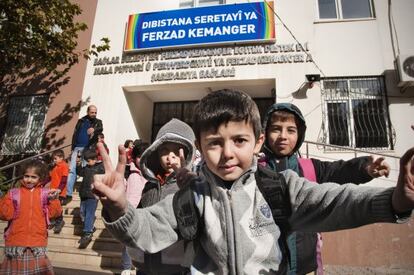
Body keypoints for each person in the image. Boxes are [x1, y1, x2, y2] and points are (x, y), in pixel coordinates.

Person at [93, 90, 414, 275]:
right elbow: (146, 230)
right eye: (215, 142)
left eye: (240, 140)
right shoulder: (191, 197)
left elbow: (337, 202)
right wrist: (120, 207)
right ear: (201, 149)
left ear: (258, 143)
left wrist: (395, 200)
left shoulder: (282, 187)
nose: (228, 153)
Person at [261, 103, 391, 274]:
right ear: (264, 133)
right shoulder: (255, 171)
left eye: (291, 130)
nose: (283, 136)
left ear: (300, 135)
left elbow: (340, 170)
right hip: (266, 267)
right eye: (276, 129)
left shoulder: (310, 168)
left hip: (305, 266)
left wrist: (365, 168)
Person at [125, 118, 195, 275]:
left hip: (176, 267)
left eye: (177, 151)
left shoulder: (193, 185)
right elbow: (138, 220)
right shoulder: (149, 185)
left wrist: (189, 188)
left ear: (189, 153)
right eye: (164, 150)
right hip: (144, 266)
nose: (170, 157)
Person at [0, 159, 62, 274]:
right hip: (16, 241)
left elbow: (55, 213)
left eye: (34, 177)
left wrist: (54, 200)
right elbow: (5, 215)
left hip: (37, 242)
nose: (29, 180)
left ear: (40, 178)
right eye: (26, 176)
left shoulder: (45, 194)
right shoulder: (14, 193)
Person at [121, 141, 149, 275]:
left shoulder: (153, 173)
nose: (142, 160)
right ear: (134, 157)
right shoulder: (128, 171)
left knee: (143, 243)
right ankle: (126, 267)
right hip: (131, 211)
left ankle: (140, 267)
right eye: (139, 156)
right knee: (129, 242)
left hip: (146, 212)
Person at [66, 105, 103, 205]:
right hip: (77, 148)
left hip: (88, 149)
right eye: (92, 112)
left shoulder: (98, 122)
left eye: (95, 112)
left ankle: (88, 192)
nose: (94, 114)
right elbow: (75, 135)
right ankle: (68, 194)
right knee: (72, 170)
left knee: (87, 170)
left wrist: (94, 130)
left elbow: (100, 129)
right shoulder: (81, 121)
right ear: (87, 112)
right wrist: (72, 148)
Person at [76, 149, 105, 249]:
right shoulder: (86, 168)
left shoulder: (101, 167)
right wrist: (78, 163)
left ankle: (87, 233)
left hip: (93, 195)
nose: (88, 162)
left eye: (89, 160)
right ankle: (91, 227)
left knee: (89, 213)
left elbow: (106, 178)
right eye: (87, 160)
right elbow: (79, 172)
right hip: (83, 193)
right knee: (82, 213)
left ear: (95, 159)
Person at [49, 149, 69, 234]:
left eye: (55, 158)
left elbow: (64, 179)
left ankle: (59, 222)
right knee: (52, 206)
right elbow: (49, 178)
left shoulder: (64, 165)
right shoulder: (55, 167)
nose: (54, 160)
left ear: (61, 157)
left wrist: (60, 189)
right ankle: (53, 221)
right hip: (53, 191)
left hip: (59, 191)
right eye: (53, 159)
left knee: (57, 207)